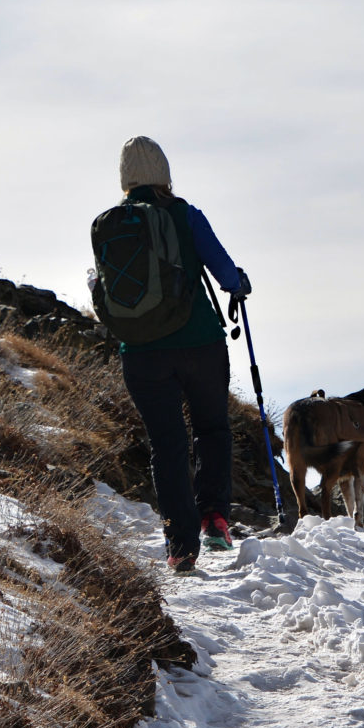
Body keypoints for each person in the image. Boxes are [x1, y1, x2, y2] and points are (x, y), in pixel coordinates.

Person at [106, 136, 250, 572]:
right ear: (166, 175)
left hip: (142, 352)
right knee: (211, 429)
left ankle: (180, 546)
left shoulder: (111, 223)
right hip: (200, 343)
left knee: (167, 445)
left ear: (125, 180)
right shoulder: (186, 215)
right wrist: (239, 283)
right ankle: (215, 518)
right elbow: (226, 274)